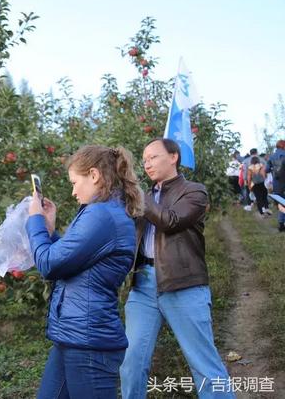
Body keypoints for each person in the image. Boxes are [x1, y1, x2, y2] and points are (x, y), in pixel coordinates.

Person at [120, 138, 234, 399]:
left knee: (203, 363)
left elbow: (170, 221)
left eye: (154, 157)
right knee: (131, 360)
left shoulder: (194, 191)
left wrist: (139, 195)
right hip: (143, 286)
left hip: (183, 284)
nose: (147, 163)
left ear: (174, 157)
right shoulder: (144, 197)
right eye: (144, 159)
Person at [26, 145, 143, 398]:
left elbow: (49, 264)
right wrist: (48, 229)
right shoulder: (102, 212)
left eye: (74, 182)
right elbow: (70, 261)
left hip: (90, 343)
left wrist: (34, 220)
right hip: (74, 336)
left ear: (94, 175)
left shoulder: (102, 215)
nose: (73, 191)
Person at [266, 139, 285, 231]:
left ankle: (281, 223)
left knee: (281, 202)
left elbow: (267, 170)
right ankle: (282, 222)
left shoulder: (271, 157)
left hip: (277, 183)